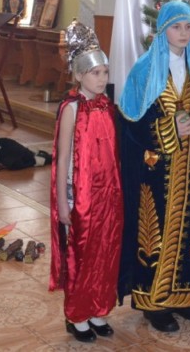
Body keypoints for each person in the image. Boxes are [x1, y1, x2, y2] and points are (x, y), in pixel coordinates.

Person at [118, 0, 190, 333]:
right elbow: (132, 121)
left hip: (188, 166)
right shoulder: (145, 68)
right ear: (163, 30)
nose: (184, 33)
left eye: (188, 27)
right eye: (176, 27)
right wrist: (167, 129)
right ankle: (153, 302)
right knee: (154, 232)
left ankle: (182, 296)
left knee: (187, 230)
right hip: (155, 168)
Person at [49, 21, 122, 343]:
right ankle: (77, 314)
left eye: (105, 72)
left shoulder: (107, 107)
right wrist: (62, 203)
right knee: (80, 253)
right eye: (95, 73)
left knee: (103, 251)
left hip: (107, 195)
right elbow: (63, 157)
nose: (102, 79)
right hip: (78, 195)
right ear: (79, 76)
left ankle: (97, 308)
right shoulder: (72, 109)